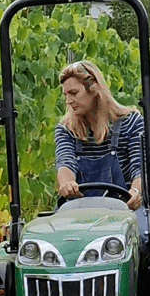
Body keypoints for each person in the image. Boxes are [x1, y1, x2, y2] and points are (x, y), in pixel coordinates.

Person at [55, 60, 144, 212]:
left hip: (126, 208)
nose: (68, 101)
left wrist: (136, 191)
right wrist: (66, 183)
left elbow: (140, 167)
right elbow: (65, 162)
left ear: (94, 88)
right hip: (80, 209)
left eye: (74, 93)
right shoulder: (66, 129)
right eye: (65, 95)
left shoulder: (131, 122)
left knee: (141, 232)